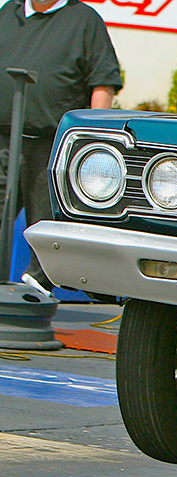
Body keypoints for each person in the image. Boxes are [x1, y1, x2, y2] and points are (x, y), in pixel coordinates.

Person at [0, 0, 122, 296]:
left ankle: (36, 293)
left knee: (46, 226)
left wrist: (96, 140)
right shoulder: (8, 13)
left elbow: (102, 82)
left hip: (53, 144)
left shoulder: (84, 20)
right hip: (3, 139)